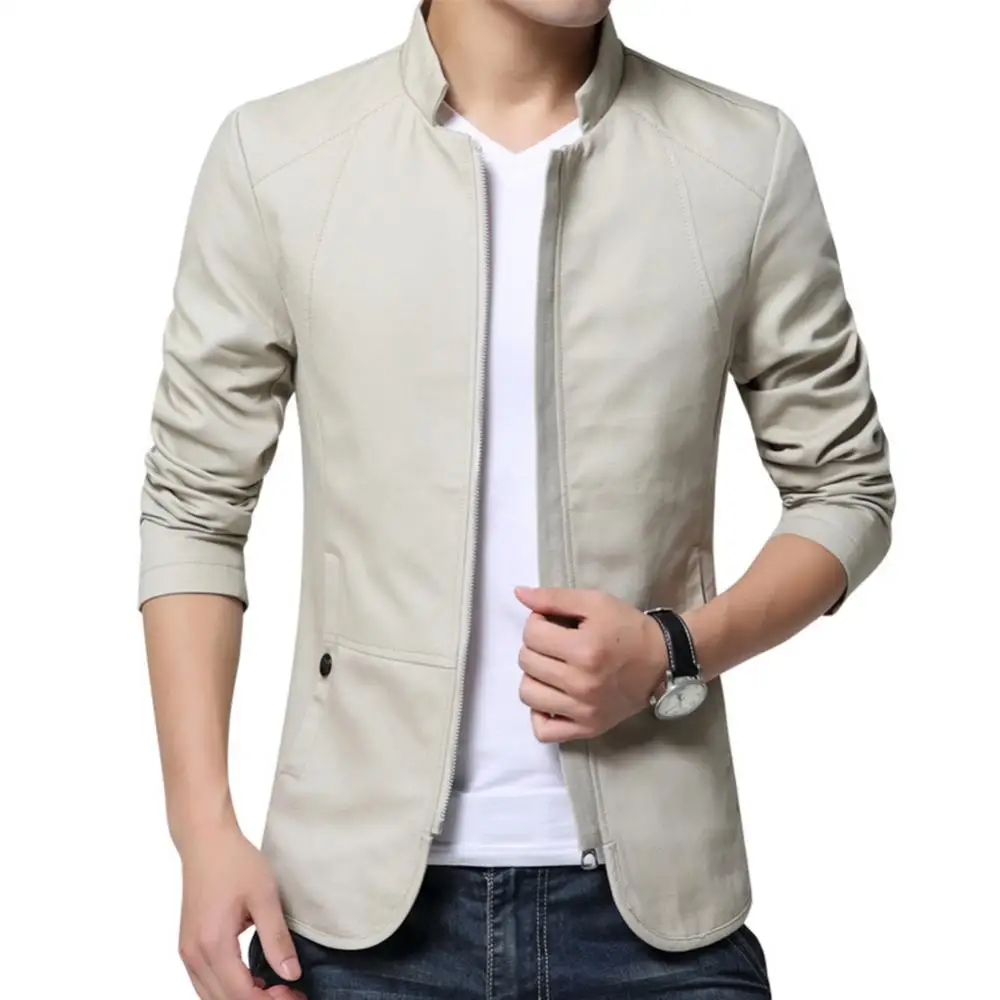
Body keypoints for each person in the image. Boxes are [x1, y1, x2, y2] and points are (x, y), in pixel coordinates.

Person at [138, 1, 894, 997]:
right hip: (351, 922)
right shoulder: (279, 159)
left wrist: (672, 650)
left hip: (657, 922)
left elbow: (845, 487)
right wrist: (202, 832)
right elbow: (194, 509)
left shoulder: (741, 161)